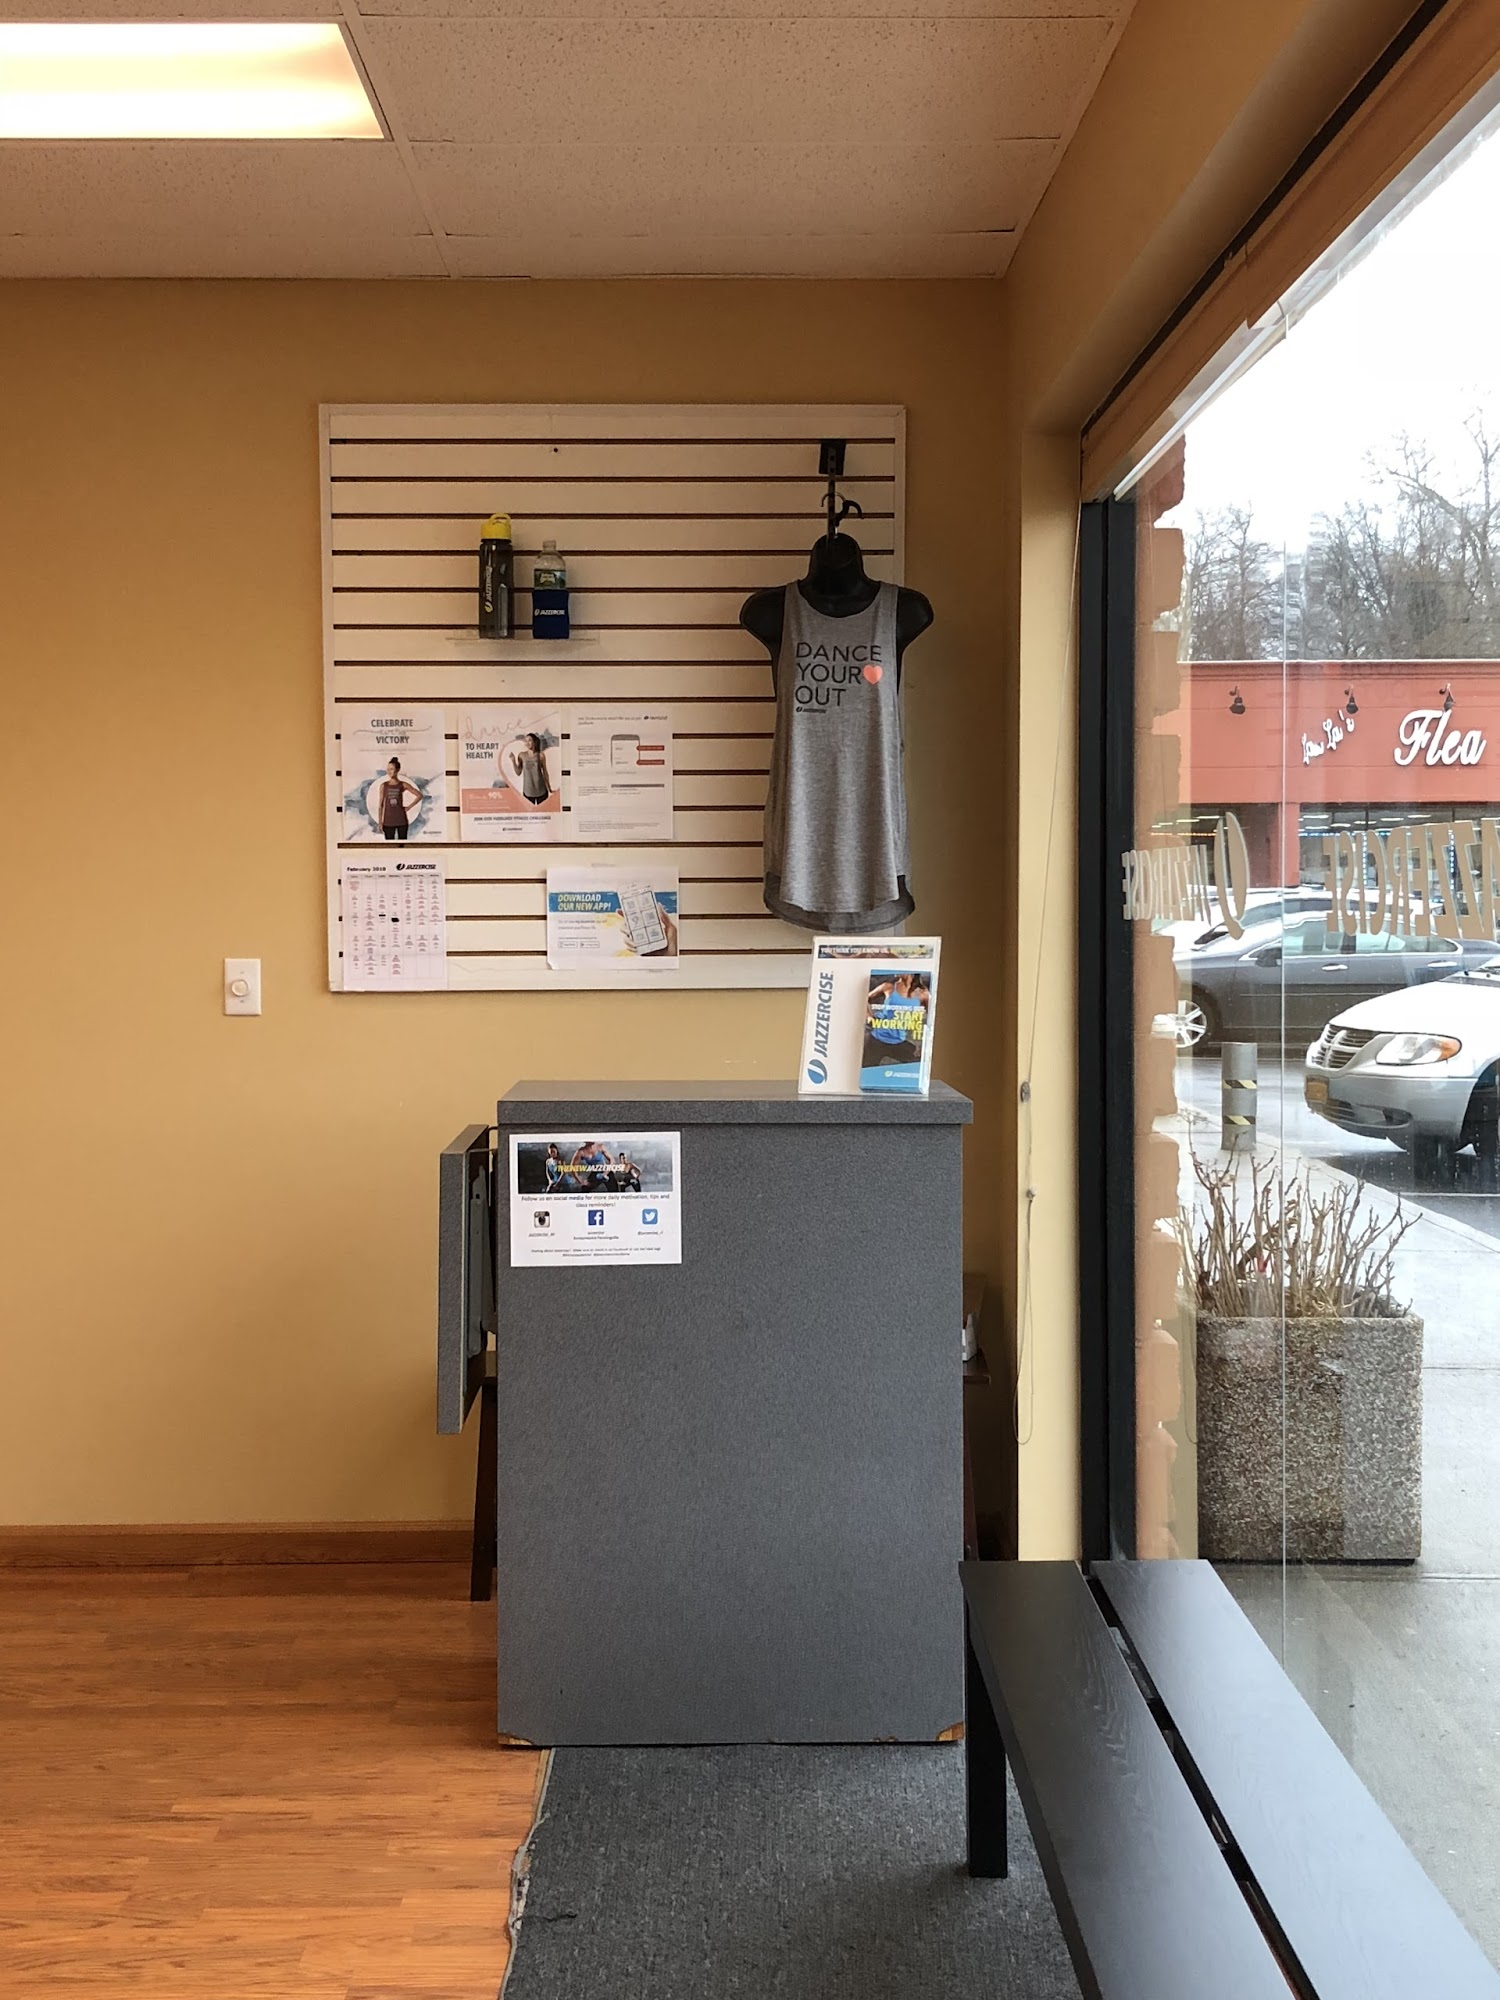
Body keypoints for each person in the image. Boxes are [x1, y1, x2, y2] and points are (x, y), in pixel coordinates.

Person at [375, 757, 423, 840]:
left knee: (402, 845)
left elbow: (419, 795)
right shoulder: (383, 786)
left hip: (401, 820)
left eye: (391, 769)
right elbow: (381, 805)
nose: (389, 771)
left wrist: (409, 807)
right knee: (390, 846)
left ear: (397, 770)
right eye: (388, 769)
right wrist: (380, 822)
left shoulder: (403, 784)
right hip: (388, 821)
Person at [505, 732, 553, 807]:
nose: (527, 743)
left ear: (534, 742)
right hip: (528, 792)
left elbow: (545, 772)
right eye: (526, 741)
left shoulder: (541, 755)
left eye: (529, 740)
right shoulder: (522, 755)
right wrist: (513, 761)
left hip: (542, 791)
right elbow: (518, 772)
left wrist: (549, 788)